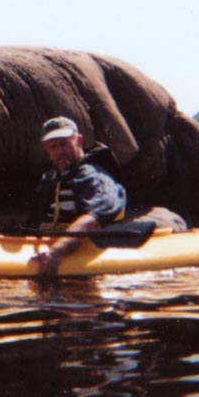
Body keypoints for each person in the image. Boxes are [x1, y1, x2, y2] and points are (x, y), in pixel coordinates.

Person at [27, 116, 127, 278]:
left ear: (79, 141)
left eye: (64, 143)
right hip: (50, 243)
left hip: (83, 247)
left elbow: (96, 215)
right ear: (47, 150)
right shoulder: (50, 179)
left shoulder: (93, 175)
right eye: (53, 146)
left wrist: (57, 251)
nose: (59, 151)